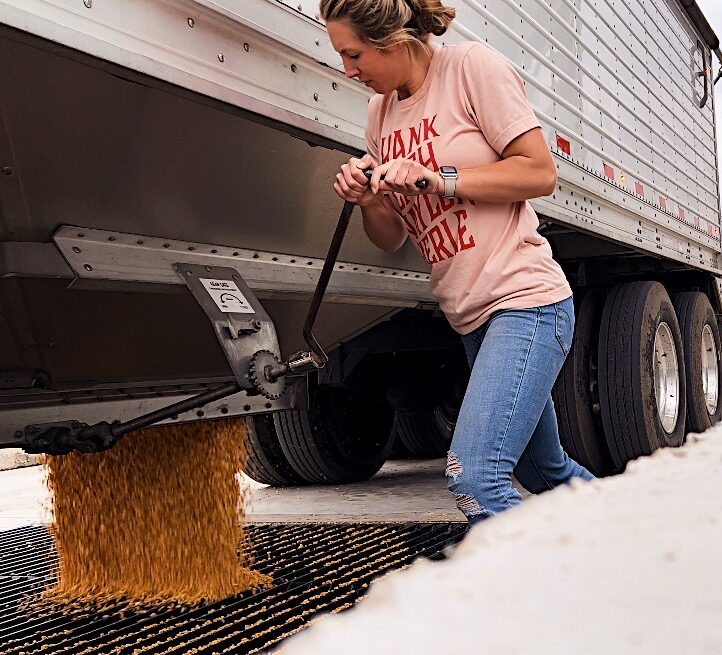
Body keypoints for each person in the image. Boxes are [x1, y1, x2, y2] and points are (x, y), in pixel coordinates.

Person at [320, 0, 594, 524]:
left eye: (353, 55)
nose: (348, 70)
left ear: (391, 39)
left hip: (526, 301)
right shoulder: (380, 116)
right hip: (470, 317)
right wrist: (371, 198)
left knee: (475, 477)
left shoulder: (471, 68)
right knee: (545, 474)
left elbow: (540, 173)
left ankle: (549, 598)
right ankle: (637, 542)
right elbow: (391, 237)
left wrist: (438, 177)